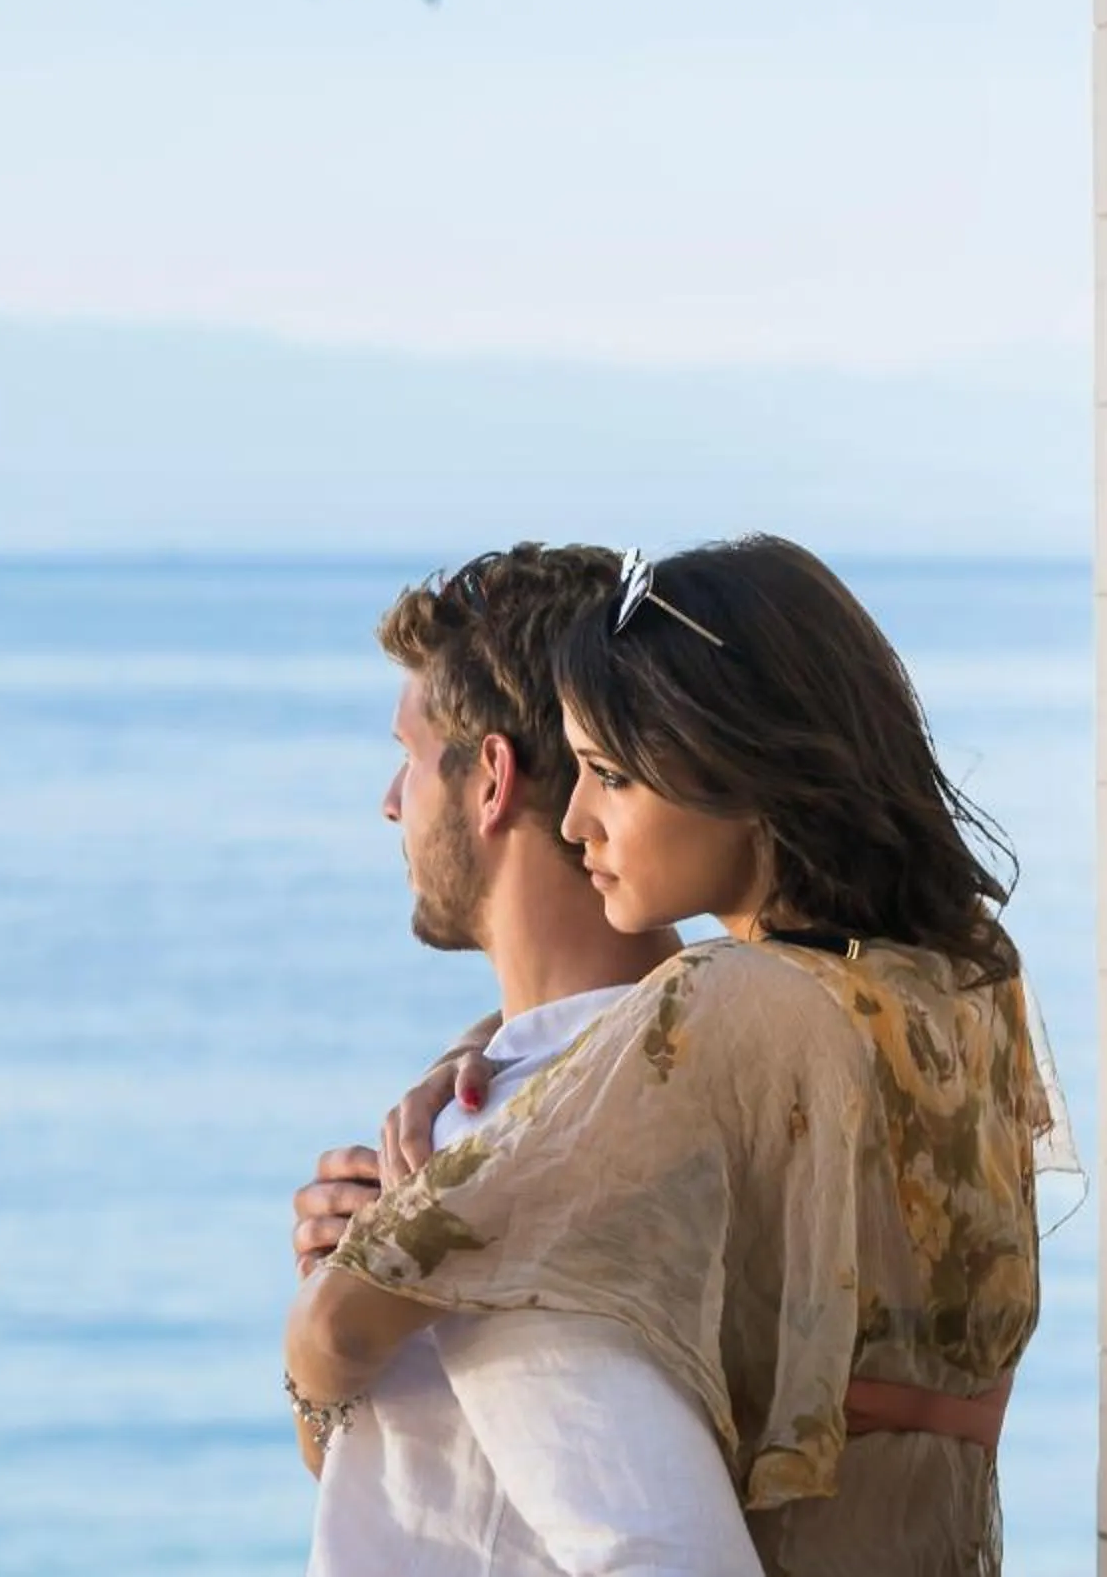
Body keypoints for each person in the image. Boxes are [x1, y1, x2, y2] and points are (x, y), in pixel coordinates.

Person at [287, 535, 1065, 1575]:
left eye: (610, 773)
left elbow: (646, 1541)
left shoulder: (708, 1022)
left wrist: (329, 1314)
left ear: (732, 756)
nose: (578, 818)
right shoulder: (951, 983)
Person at [298, 542, 761, 1575]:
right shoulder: (738, 1049)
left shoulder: (523, 1150)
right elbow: (432, 1496)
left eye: (410, 756)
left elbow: (662, 1547)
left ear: (492, 778)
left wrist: (327, 1329)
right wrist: (353, 1301)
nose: (389, 800)